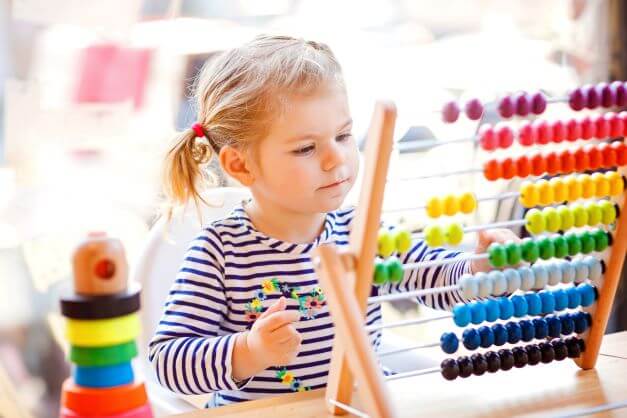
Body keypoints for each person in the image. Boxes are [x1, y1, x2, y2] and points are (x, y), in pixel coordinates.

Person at [148, 34, 517, 407]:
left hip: (358, 407)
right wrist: (250, 349)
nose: (335, 159)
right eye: (306, 148)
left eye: (343, 135)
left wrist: (483, 270)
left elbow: (435, 278)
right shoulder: (221, 252)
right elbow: (167, 361)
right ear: (240, 165)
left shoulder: (360, 232)